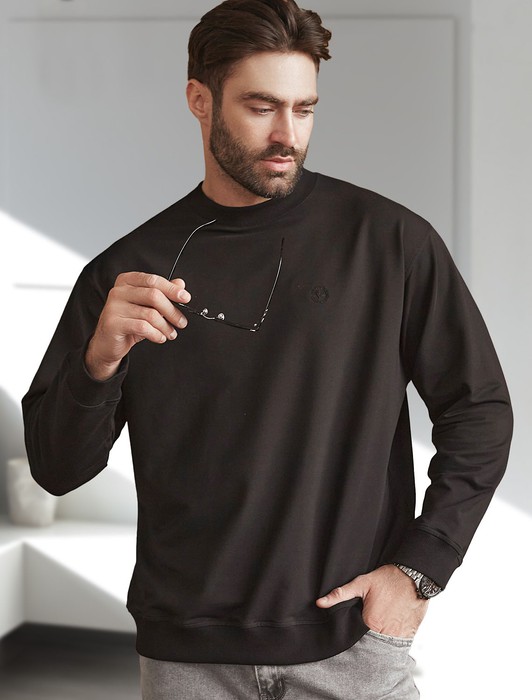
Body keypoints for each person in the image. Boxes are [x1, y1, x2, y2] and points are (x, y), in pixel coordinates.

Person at [22, 1, 513, 698]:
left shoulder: (390, 242)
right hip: (186, 659)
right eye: (261, 108)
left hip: (351, 644)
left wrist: (421, 568)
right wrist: (97, 364)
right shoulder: (128, 272)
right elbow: (56, 470)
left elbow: (479, 409)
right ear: (200, 100)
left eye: (304, 109)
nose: (287, 135)